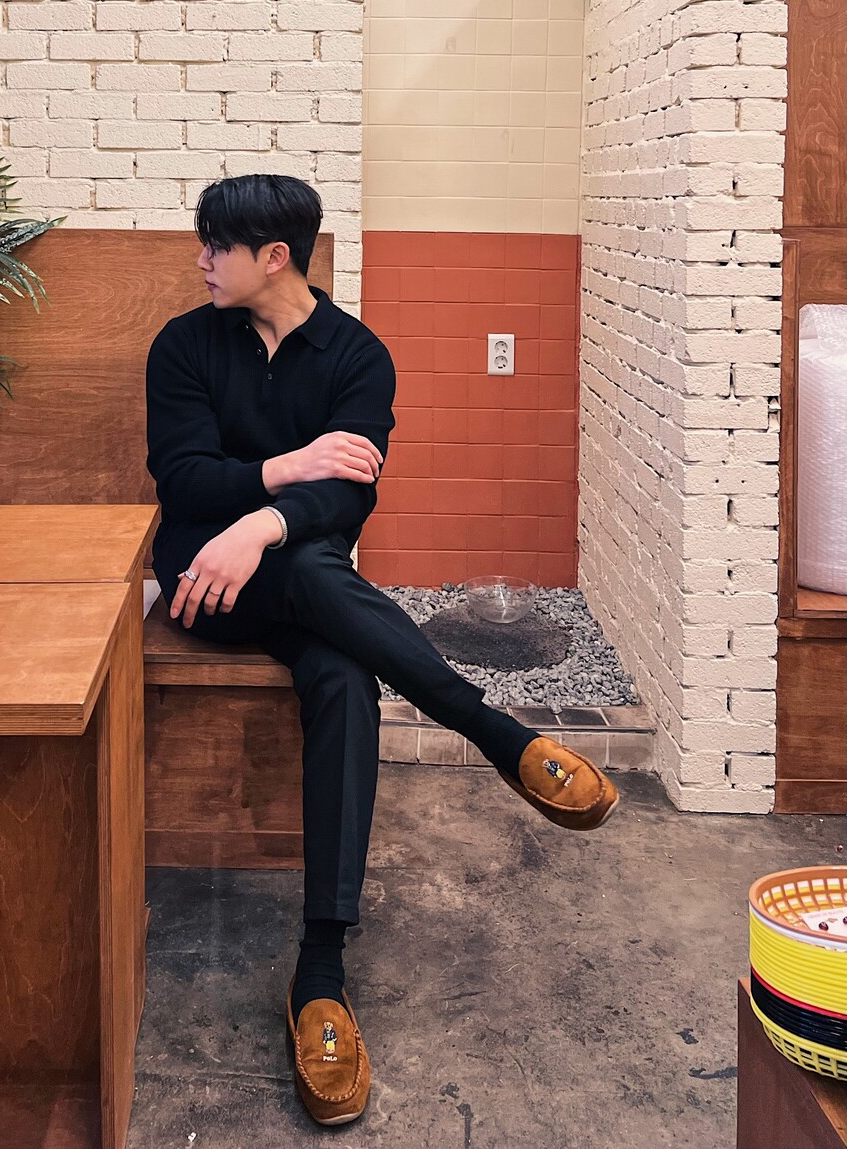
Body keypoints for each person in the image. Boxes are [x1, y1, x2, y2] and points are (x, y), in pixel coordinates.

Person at [145, 174, 619, 1127]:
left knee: (343, 673)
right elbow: (182, 477)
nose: (201, 261)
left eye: (215, 247)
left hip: (295, 577)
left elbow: (349, 497)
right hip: (208, 584)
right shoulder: (184, 343)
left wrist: (261, 524)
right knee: (316, 569)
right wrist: (285, 474)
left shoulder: (357, 355)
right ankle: (496, 733)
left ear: (273, 256)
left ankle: (321, 971)